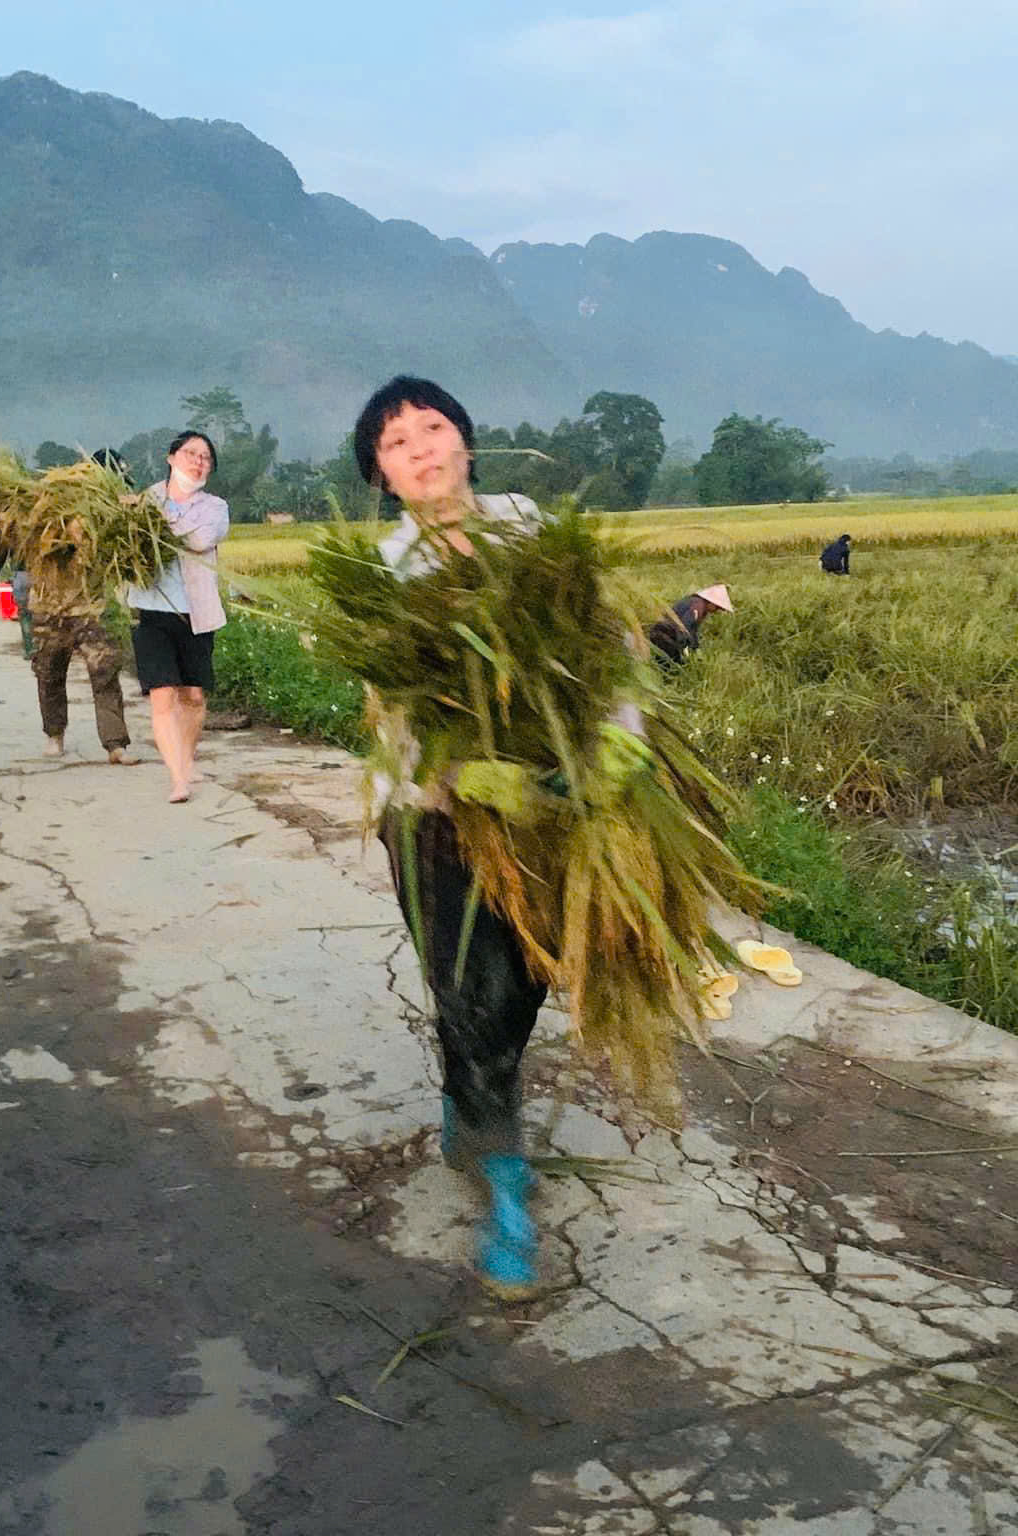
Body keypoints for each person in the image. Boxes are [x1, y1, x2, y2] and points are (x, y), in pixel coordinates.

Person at [353, 376, 564, 1297]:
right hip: (436, 820)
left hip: (553, 810)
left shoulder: (532, 530)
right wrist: (454, 775)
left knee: (528, 982)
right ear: (384, 477)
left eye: (433, 428)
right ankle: (506, 1187)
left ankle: (467, 1099)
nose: (422, 448)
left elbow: (602, 651)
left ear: (468, 442)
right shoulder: (388, 573)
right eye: (397, 444)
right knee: (470, 993)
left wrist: (617, 752)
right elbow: (393, 712)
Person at [128, 431, 229, 803]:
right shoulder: (143, 502)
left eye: (205, 457)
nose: (198, 461)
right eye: (191, 453)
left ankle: (187, 757)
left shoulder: (215, 507)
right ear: (171, 457)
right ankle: (179, 778)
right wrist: (148, 528)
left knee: (194, 695)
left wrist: (158, 530)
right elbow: (129, 541)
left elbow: (201, 540)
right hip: (151, 609)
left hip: (195, 612)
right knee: (162, 694)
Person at [28, 539, 138, 765]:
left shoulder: (92, 520)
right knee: (48, 674)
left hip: (90, 609)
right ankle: (54, 734)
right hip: (47, 607)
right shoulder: (38, 520)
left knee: (105, 673)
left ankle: (115, 743)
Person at [647, 584, 735, 670]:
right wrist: (684, 649)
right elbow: (684, 628)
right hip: (664, 636)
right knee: (672, 668)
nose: (716, 611)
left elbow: (693, 631)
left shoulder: (698, 605)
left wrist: (695, 648)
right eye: (717, 608)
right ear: (711, 602)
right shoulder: (697, 606)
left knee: (670, 667)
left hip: (664, 635)